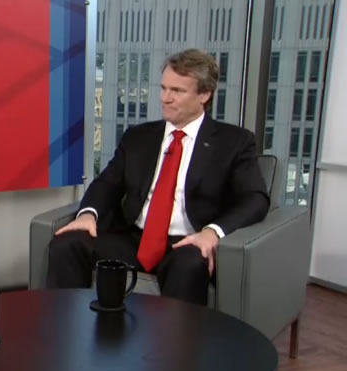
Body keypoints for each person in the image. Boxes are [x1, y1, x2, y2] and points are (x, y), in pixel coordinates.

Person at [46, 49, 270, 305]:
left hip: (187, 242)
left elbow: (255, 199)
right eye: (163, 88)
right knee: (67, 244)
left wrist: (212, 232)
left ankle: (176, 334)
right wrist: (88, 214)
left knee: (189, 266)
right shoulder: (138, 137)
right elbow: (108, 183)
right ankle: (65, 326)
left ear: (204, 95)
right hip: (134, 238)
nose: (165, 98)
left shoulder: (234, 142)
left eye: (177, 91)